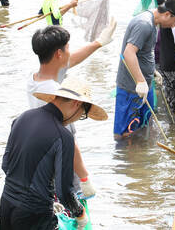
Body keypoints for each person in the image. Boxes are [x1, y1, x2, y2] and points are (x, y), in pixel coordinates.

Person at [26, 24, 116, 203]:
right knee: (72, 206)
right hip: (60, 156)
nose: (70, 52)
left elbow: (70, 61)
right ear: (59, 54)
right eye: (67, 48)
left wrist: (98, 43)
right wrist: (84, 178)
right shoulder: (55, 93)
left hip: (41, 152)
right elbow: (67, 139)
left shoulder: (36, 78)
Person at [1, 76, 104, 230]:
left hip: (7, 205)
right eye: (82, 115)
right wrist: (80, 213)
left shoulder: (22, 118)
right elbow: (64, 191)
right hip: (35, 213)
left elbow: (6, 165)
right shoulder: (64, 136)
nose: (76, 119)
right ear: (77, 104)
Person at [114, 0, 175, 139]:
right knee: (126, 133)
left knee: (144, 128)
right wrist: (140, 81)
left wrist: (153, 71)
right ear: (167, 14)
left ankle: (143, 159)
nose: (173, 25)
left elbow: (144, 53)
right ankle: (127, 159)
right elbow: (128, 53)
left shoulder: (153, 23)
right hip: (131, 87)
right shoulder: (144, 24)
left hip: (145, 86)